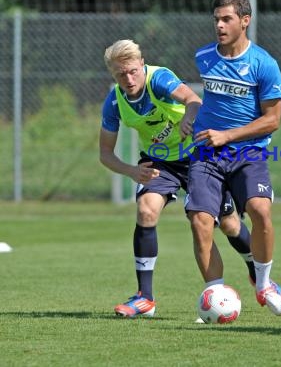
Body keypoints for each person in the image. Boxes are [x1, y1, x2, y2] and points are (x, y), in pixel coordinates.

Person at [100, 39, 265, 318]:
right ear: (113, 75)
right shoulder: (115, 102)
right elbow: (105, 153)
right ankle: (145, 298)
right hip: (159, 162)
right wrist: (131, 170)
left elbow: (194, 99)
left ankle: (256, 270)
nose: (128, 79)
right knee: (146, 211)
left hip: (197, 154)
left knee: (229, 224)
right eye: (120, 74)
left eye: (132, 71)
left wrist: (189, 116)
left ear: (142, 64)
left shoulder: (159, 78)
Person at [183, 0, 281, 316]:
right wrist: (191, 116)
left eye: (227, 18)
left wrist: (227, 135)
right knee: (201, 221)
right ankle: (215, 296)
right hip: (206, 152)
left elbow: (272, 120)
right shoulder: (204, 56)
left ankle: (264, 284)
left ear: (245, 21)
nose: (219, 25)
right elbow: (204, 101)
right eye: (216, 18)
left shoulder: (264, 65)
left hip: (247, 154)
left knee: (260, 211)